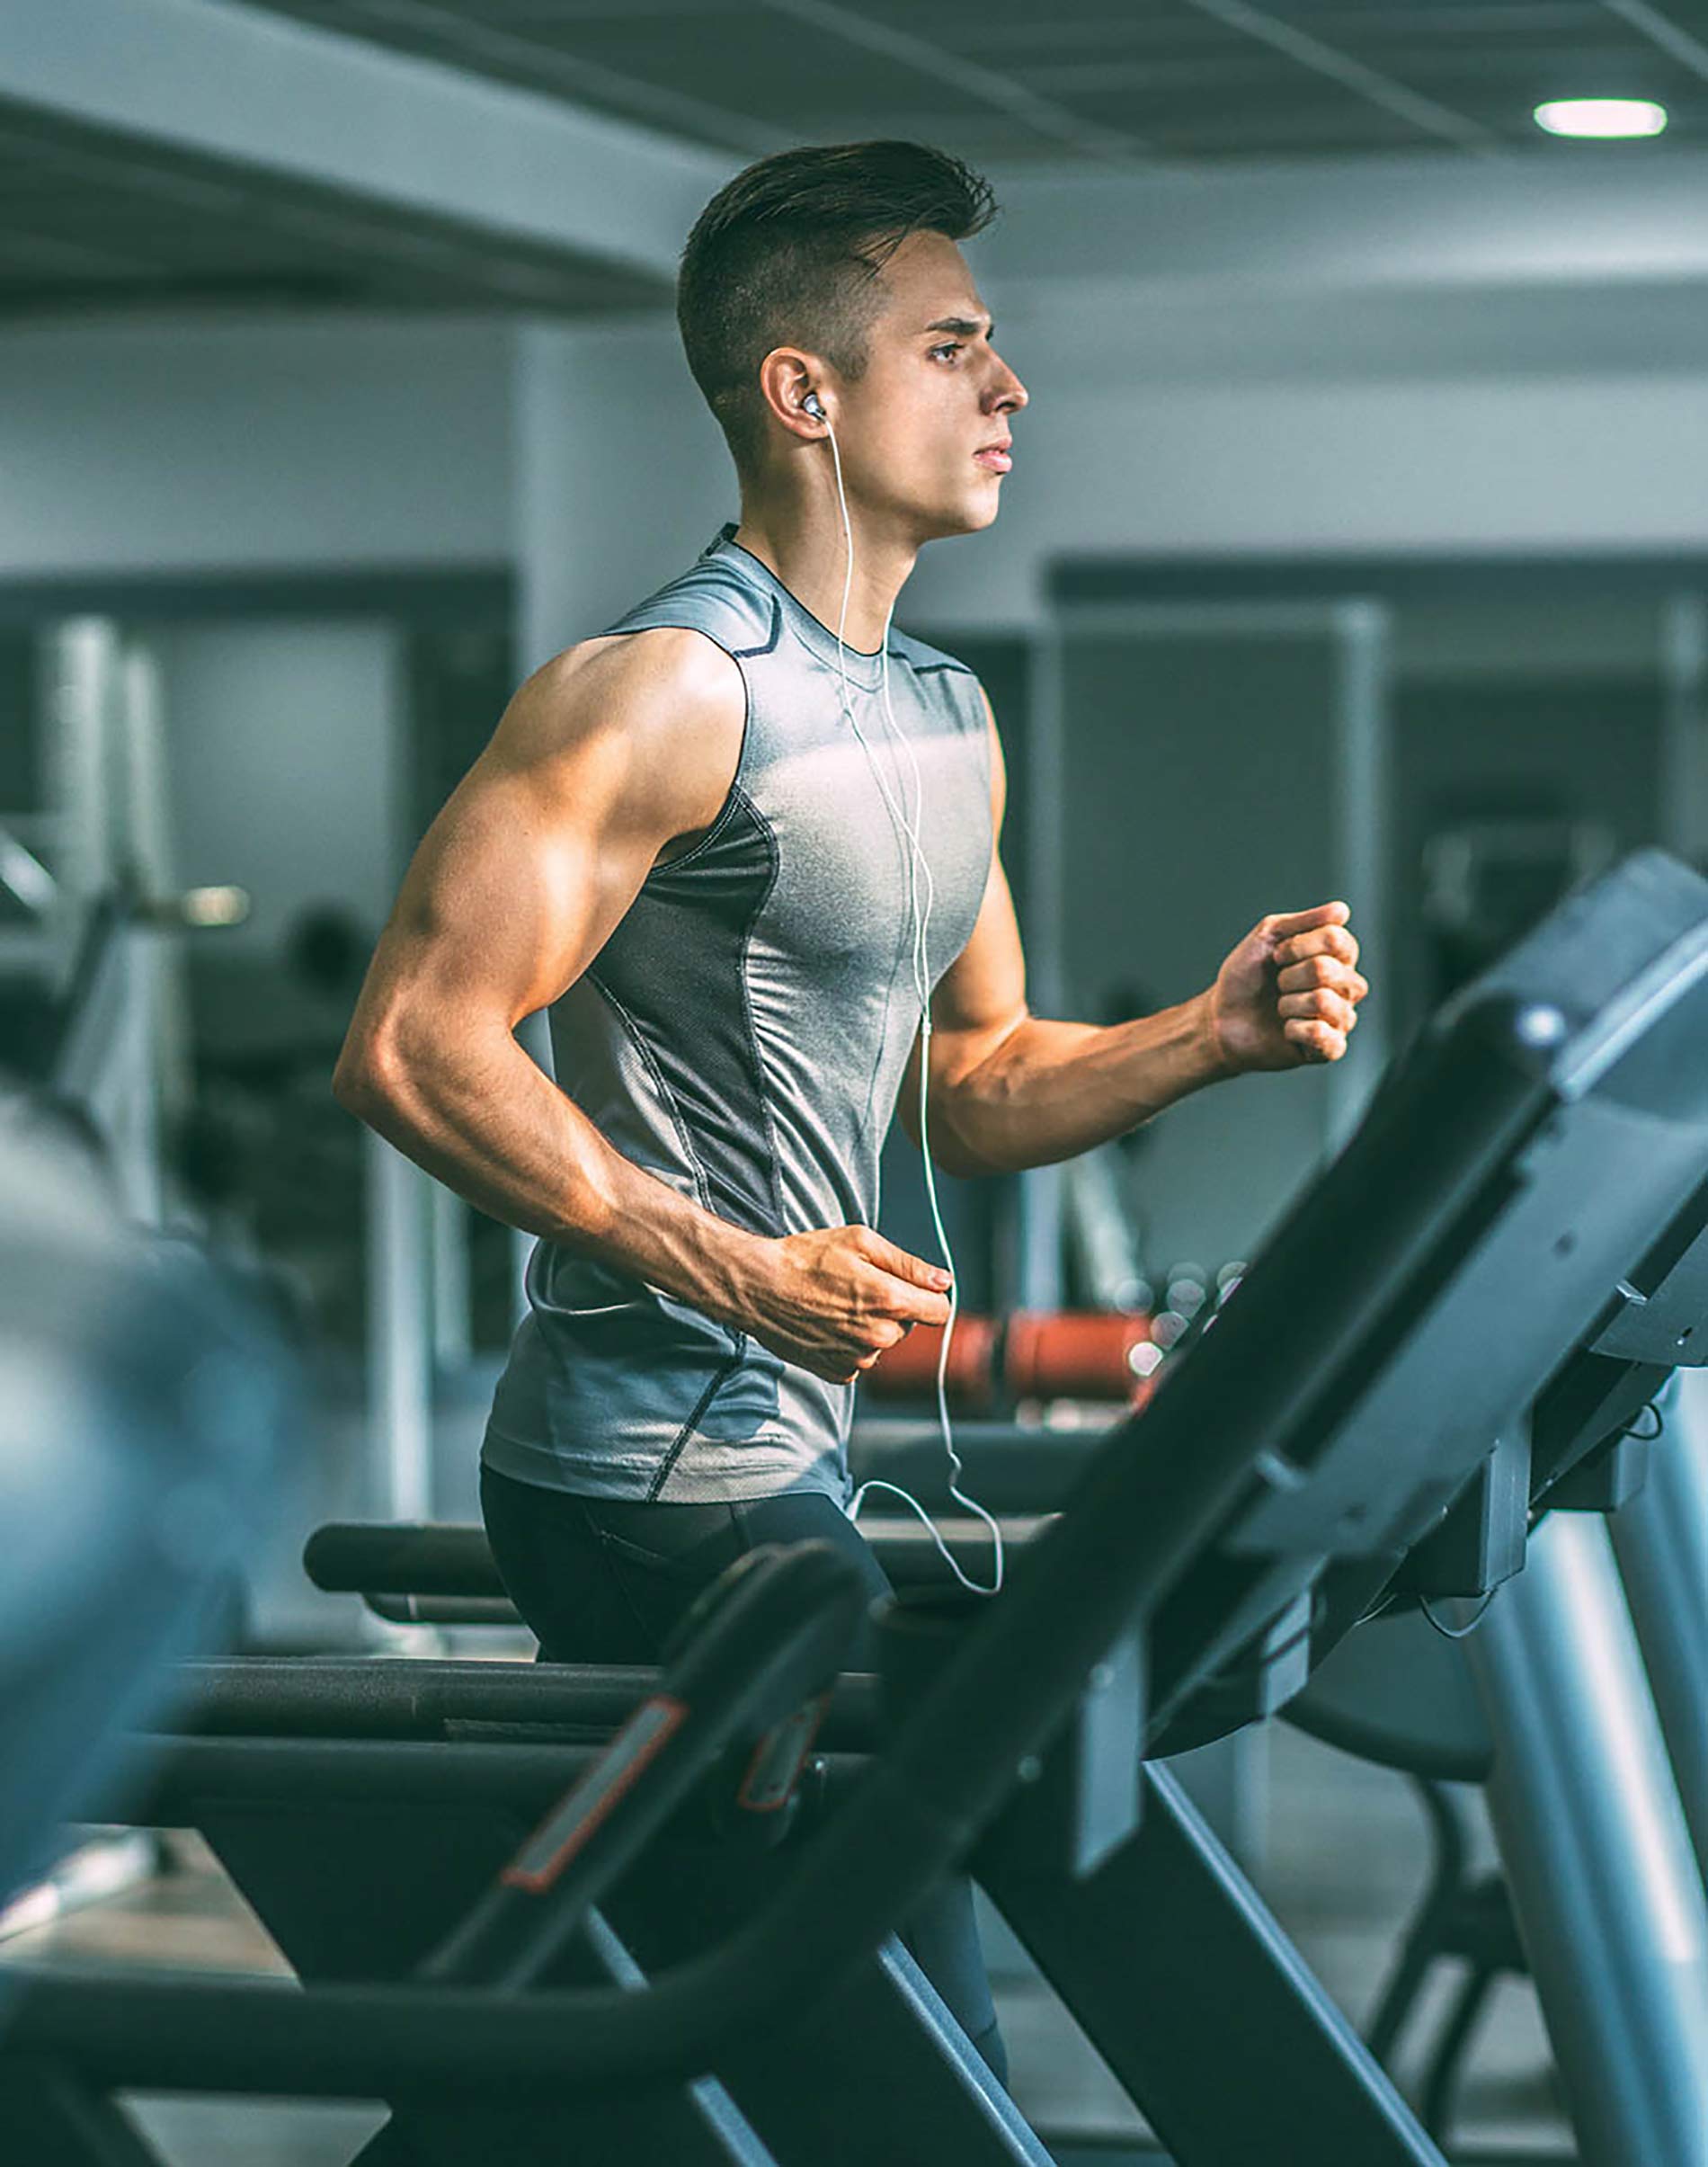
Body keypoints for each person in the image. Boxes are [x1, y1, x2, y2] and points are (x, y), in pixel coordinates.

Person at [332, 138, 1368, 2082]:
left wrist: (1202, 1036)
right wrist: (725, 1266)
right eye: (953, 348)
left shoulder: (938, 711)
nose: (1008, 391)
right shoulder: (654, 690)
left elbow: (973, 1086)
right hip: (653, 1474)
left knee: (812, 2039)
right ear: (803, 394)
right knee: (905, 2033)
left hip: (786, 1450)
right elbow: (415, 1040)